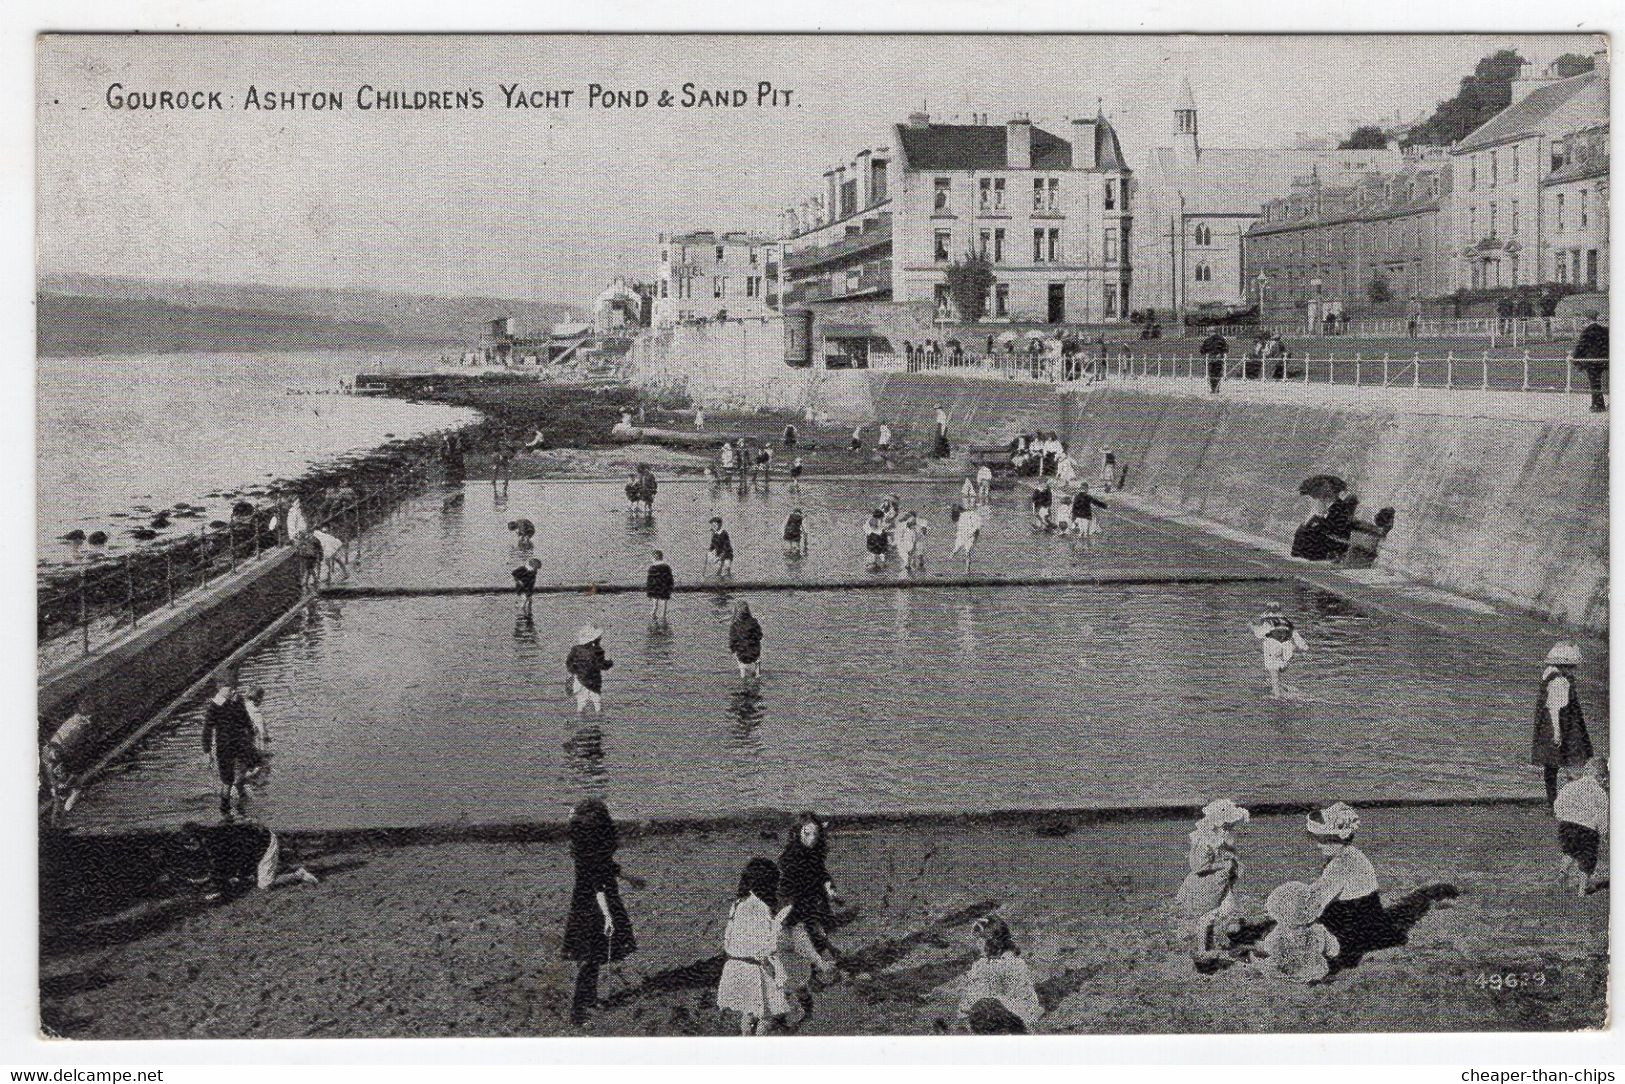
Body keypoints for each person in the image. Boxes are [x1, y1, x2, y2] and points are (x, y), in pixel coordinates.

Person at [562, 798, 638, 1026]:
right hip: (592, 909)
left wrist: (630, 878)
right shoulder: (590, 853)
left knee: (593, 957)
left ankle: (591, 999)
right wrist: (607, 915)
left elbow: (608, 868)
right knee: (589, 958)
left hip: (587, 906)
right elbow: (598, 886)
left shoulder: (587, 850)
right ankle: (578, 1011)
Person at [1307, 802, 1401, 964]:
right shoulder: (1353, 854)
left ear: (1339, 839)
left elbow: (1317, 902)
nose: (1319, 844)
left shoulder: (1340, 864)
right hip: (1369, 918)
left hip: (1353, 926)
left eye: (1325, 840)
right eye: (1319, 839)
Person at [717, 857, 794, 1035]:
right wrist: (780, 921)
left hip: (733, 967)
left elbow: (729, 937)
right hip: (752, 970)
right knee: (767, 1015)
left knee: (748, 1012)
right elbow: (767, 945)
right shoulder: (760, 908)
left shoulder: (737, 904)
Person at [778, 812, 841, 1019]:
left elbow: (821, 872)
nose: (811, 838)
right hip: (798, 907)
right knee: (808, 941)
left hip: (813, 904)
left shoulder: (814, 853)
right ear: (798, 833)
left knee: (816, 939)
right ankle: (809, 980)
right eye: (807, 833)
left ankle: (814, 975)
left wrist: (828, 886)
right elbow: (786, 888)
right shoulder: (789, 857)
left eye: (815, 834)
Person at [1177, 798, 1249, 971]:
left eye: (1230, 825)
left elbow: (1228, 854)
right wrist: (1223, 865)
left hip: (1221, 883)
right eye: (1227, 825)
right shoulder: (1205, 841)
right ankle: (1203, 950)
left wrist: (1233, 865)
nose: (1230, 829)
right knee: (1207, 916)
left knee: (1227, 909)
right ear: (1217, 824)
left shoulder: (1220, 838)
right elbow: (1198, 867)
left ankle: (1220, 941)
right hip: (1206, 885)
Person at [171, 820, 318, 902]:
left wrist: (218, 890)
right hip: (251, 843)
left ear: (193, 839)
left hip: (265, 842)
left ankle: (298, 874)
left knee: (264, 885)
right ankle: (275, 867)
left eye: (189, 845)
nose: (190, 849)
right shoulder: (209, 838)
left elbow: (220, 869)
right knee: (244, 875)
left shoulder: (215, 845)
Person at [953, 914, 1044, 1033]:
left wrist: (987, 1001)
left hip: (1014, 1012)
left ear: (993, 941)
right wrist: (967, 1005)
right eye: (977, 940)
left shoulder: (1012, 964)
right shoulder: (981, 964)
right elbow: (975, 989)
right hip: (989, 1011)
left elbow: (1018, 997)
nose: (977, 944)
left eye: (981, 940)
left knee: (985, 1008)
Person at [1533, 641, 1593, 807]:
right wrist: (1557, 733)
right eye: (1571, 666)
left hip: (1550, 725)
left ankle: (1555, 801)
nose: (1573, 670)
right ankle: (1566, 803)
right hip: (1563, 726)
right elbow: (1554, 709)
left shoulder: (1548, 675)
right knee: (1572, 762)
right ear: (1564, 665)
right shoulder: (1560, 682)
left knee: (1552, 765)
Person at [1249, 881, 1339, 983]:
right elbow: (1271, 945)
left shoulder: (1317, 929)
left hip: (1308, 966)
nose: (1310, 908)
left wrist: (1332, 948)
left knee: (1273, 966)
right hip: (1298, 967)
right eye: (1304, 906)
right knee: (1276, 965)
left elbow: (1270, 946)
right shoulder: (1282, 931)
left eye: (1310, 903)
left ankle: (1263, 966)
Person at [201, 670, 257, 818]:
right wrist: (207, 752)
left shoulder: (236, 700)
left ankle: (241, 796)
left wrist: (251, 733)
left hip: (240, 743)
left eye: (233, 687)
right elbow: (207, 729)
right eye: (229, 688)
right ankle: (225, 810)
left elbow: (245, 718)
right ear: (219, 688)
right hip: (225, 747)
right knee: (227, 780)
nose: (233, 690)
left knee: (245, 769)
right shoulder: (215, 706)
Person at [1554, 758, 1609, 897]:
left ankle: (1563, 872)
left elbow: (1559, 802)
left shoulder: (1571, 786)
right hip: (1587, 829)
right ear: (1600, 777)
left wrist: (1562, 817)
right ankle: (1582, 890)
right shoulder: (1600, 793)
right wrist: (1603, 831)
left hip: (1566, 825)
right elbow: (1602, 814)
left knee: (1570, 852)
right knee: (1586, 857)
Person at [40, 701, 95, 818]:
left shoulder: (75, 720)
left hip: (56, 749)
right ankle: (63, 811)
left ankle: (62, 806)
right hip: (58, 751)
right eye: (90, 714)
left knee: (64, 788)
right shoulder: (79, 724)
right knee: (71, 788)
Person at [1251, 602, 1308, 698]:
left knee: (1273, 669)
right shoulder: (1287, 621)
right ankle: (1280, 673)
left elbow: (1259, 633)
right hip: (1287, 648)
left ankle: (1277, 695)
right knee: (1278, 666)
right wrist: (1304, 647)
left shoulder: (1268, 620)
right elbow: (1296, 636)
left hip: (1274, 646)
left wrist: (1252, 627)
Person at [565, 625, 613, 715]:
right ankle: (598, 724)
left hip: (579, 681)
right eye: (599, 638)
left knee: (580, 705)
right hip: (593, 683)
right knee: (597, 706)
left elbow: (569, 665)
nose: (600, 638)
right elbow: (601, 665)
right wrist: (610, 663)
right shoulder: (597, 651)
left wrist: (577, 671)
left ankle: (580, 723)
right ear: (595, 639)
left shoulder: (575, 650)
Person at [1571, 311, 1608, 412]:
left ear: (1587, 319)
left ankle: (1597, 405)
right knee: (1599, 382)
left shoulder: (1587, 331)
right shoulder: (1604, 330)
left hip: (1591, 361)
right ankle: (1599, 404)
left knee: (1594, 383)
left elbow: (1581, 346)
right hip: (1603, 361)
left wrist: (1574, 359)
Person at [729, 600, 764, 678]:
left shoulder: (734, 625)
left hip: (742, 654)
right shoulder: (754, 622)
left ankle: (743, 675)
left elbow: (733, 640)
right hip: (754, 653)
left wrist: (733, 649)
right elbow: (760, 635)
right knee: (757, 660)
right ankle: (757, 673)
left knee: (741, 663)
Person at [1069, 484, 1107, 549]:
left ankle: (1079, 547)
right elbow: (1096, 502)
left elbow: (1074, 507)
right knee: (1086, 533)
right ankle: (1085, 547)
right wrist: (1105, 506)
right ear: (1086, 489)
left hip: (1079, 516)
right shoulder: (1088, 497)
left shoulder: (1077, 497)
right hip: (1086, 516)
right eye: (1086, 488)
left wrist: (1074, 516)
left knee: (1081, 532)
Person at [952, 501, 982, 573]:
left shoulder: (970, 514)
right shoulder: (964, 515)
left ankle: (967, 570)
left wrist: (974, 533)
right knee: (957, 551)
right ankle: (965, 569)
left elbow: (976, 527)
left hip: (971, 534)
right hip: (966, 534)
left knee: (966, 552)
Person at [644, 549, 673, 623]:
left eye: (651, 558)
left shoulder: (652, 567)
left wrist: (649, 592)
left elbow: (650, 581)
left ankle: (653, 612)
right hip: (665, 586)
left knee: (655, 602)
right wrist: (670, 587)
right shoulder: (667, 567)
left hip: (655, 587)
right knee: (664, 602)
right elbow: (670, 578)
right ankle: (663, 615)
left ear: (654, 558)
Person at [896, 511, 926, 578]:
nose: (909, 518)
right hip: (913, 542)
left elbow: (922, 533)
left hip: (917, 542)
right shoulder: (910, 525)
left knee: (918, 556)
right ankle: (914, 570)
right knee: (914, 556)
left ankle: (917, 569)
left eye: (910, 516)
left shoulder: (917, 526)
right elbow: (903, 534)